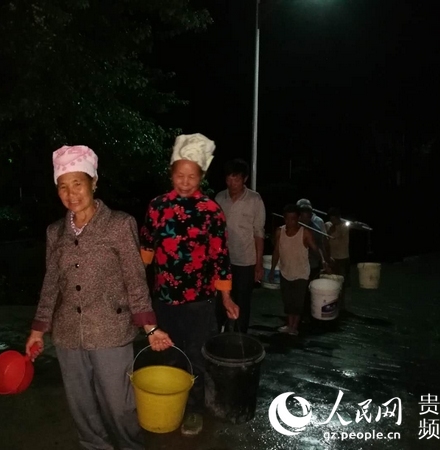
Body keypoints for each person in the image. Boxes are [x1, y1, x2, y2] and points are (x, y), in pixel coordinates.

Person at [26, 145, 173, 450]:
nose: (71, 193)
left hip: (111, 331)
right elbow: (51, 283)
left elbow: (135, 279)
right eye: (63, 186)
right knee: (81, 405)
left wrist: (150, 327)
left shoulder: (120, 224)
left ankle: (130, 446)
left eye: (77, 183)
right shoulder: (55, 232)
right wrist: (38, 330)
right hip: (68, 334)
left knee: (120, 406)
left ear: (93, 182)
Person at [140, 133, 240, 437]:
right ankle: (168, 404)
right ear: (171, 173)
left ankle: (194, 410)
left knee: (197, 357)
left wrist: (226, 297)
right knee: (167, 355)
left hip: (200, 301)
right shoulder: (157, 207)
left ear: (202, 177)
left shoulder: (211, 211)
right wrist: (133, 288)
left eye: (192, 176)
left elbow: (220, 256)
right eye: (179, 175)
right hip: (164, 299)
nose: (185, 182)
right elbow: (145, 251)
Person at [214, 158, 266, 333]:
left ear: (245, 179)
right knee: (220, 301)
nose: (232, 183)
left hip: (245, 261)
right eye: (229, 179)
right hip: (223, 261)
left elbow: (259, 233)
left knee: (243, 301)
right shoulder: (219, 198)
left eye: (236, 179)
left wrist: (259, 264)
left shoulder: (254, 199)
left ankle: (241, 336)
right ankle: (220, 333)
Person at [269, 204, 328, 336]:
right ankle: (289, 325)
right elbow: (276, 251)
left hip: (301, 273)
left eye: (293, 219)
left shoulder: (305, 233)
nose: (290, 222)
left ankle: (294, 327)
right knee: (288, 301)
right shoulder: (280, 232)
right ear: (284, 218)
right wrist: (272, 269)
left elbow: (315, 248)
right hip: (285, 271)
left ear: (298, 218)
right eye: (287, 219)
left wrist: (324, 261)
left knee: (298, 302)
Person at [299, 203, 331, 320]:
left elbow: (320, 247)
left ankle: (308, 314)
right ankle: (299, 313)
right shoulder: (294, 227)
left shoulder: (315, 229)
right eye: (302, 217)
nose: (305, 220)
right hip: (297, 265)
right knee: (298, 291)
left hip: (312, 264)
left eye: (307, 217)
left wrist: (324, 260)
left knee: (310, 290)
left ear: (310, 216)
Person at [325, 207, 351, 310]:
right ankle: (333, 301)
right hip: (332, 258)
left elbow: (339, 236)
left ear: (339, 218)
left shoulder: (345, 225)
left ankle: (342, 305)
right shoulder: (327, 225)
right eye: (331, 219)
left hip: (343, 257)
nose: (333, 221)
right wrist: (329, 232)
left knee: (342, 282)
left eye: (334, 219)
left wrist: (334, 230)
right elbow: (325, 239)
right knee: (332, 281)